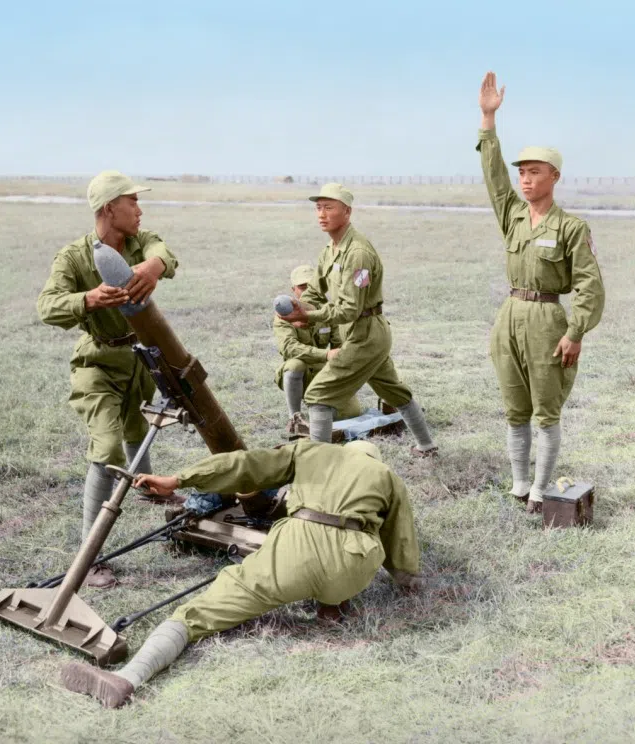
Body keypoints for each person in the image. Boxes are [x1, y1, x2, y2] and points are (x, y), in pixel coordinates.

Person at [60, 439, 422, 708]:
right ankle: (332, 605)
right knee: (355, 549)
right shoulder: (387, 476)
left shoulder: (314, 450)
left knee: (198, 614)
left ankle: (127, 678)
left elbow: (245, 466)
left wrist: (180, 479)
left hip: (296, 550)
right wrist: (408, 582)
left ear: (346, 449)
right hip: (354, 565)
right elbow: (399, 538)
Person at [36, 171, 179, 586]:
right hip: (97, 365)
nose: (139, 209)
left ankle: (149, 488)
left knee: (139, 423)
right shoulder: (74, 258)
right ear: (108, 208)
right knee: (108, 446)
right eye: (131, 202)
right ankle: (89, 557)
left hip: (139, 357)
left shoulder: (140, 241)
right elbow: (47, 306)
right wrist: (89, 299)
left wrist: (154, 266)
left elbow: (163, 251)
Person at [477, 72, 605, 513]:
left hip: (549, 320)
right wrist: (488, 119)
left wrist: (576, 332)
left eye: (535, 173)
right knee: (515, 407)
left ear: (555, 177)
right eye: (523, 173)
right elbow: (494, 177)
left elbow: (589, 282)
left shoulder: (571, 227)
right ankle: (518, 484)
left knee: (545, 410)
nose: (525, 180)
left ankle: (541, 489)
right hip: (509, 315)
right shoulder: (512, 214)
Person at [279, 184, 437, 455]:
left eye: (329, 207)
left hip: (365, 333)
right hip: (360, 333)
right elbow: (315, 291)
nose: (321, 214)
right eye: (318, 207)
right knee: (394, 391)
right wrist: (298, 309)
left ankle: (319, 465)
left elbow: (350, 309)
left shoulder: (358, 253)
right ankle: (427, 446)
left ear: (347, 212)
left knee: (318, 397)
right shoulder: (330, 249)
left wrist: (310, 316)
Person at [274, 264, 362, 436]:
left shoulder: (328, 311)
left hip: (324, 371)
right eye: (302, 287)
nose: (307, 291)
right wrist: (325, 354)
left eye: (312, 286)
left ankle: (318, 407)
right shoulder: (285, 314)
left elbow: (339, 344)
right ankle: (295, 419)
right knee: (295, 365)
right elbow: (288, 348)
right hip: (301, 373)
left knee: (352, 412)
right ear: (294, 290)